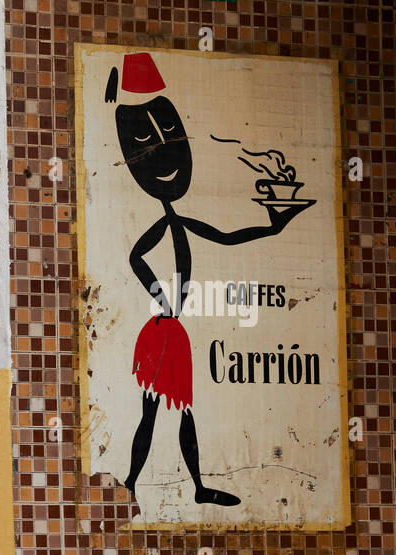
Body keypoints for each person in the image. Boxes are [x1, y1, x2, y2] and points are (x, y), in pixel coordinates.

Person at [106, 52, 308, 506]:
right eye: (148, 139)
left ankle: (167, 486)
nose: (167, 150)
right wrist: (161, 296)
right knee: (160, 413)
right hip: (163, 331)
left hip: (169, 331)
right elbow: (136, 256)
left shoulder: (178, 219)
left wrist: (273, 226)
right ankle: (142, 484)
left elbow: (227, 237)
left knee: (170, 412)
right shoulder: (160, 221)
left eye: (171, 133)